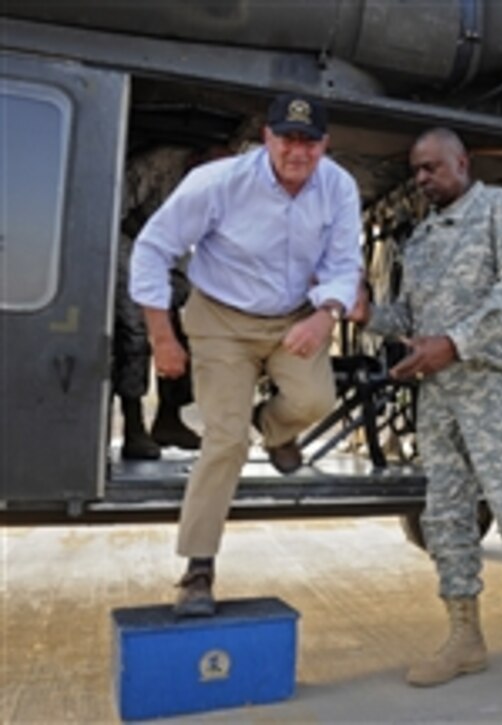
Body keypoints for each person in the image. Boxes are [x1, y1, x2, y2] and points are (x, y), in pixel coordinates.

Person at [353, 127, 502, 705]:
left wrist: (451, 344)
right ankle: (464, 637)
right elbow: (410, 313)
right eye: (417, 170)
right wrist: (369, 313)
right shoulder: (422, 239)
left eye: (432, 167)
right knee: (447, 516)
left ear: (462, 162)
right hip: (440, 394)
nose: (423, 178)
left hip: (500, 389)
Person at [130, 93, 362, 616]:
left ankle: (272, 425)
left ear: (324, 144)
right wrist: (162, 338)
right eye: (287, 138)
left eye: (308, 140)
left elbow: (346, 263)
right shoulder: (218, 182)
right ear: (267, 138)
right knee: (225, 442)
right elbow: (152, 248)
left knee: (313, 401)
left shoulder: (339, 187)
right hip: (220, 318)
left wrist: (325, 314)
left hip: (294, 315)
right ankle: (198, 567)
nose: (296, 151)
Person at [113, 146, 208, 460]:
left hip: (173, 253)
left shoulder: (220, 186)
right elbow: (112, 207)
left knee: (192, 322)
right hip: (129, 245)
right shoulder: (158, 165)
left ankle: (170, 417)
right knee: (136, 334)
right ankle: (133, 427)